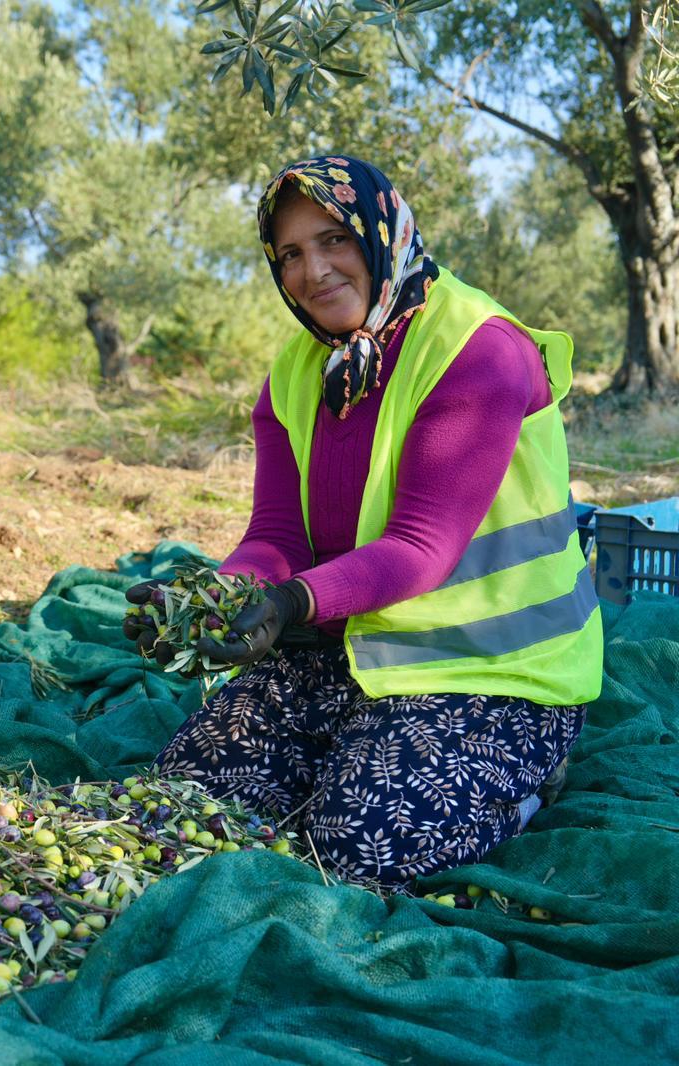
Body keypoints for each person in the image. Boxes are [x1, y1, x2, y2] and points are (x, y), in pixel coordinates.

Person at [125, 156, 602, 894]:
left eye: (333, 239)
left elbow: (421, 547)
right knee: (184, 798)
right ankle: (354, 748)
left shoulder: (476, 351)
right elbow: (276, 536)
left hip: (497, 671)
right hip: (355, 652)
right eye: (289, 255)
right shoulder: (296, 373)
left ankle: (532, 780)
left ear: (381, 234)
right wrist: (209, 598)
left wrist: (293, 604)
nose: (312, 271)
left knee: (356, 847)